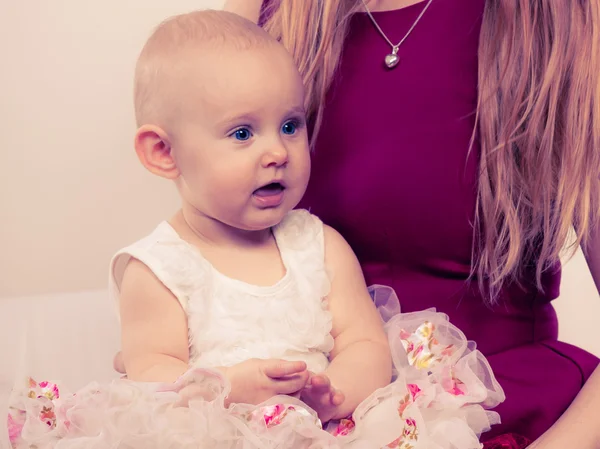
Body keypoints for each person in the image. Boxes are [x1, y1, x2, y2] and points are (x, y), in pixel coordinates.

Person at [6, 9, 504, 449]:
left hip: (325, 432)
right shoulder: (159, 269)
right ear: (164, 152)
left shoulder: (320, 247)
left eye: (290, 125)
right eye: (243, 133)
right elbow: (151, 376)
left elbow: (366, 345)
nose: (278, 152)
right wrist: (229, 386)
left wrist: (334, 393)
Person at [217, 1, 600, 448]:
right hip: (306, 420)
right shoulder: (274, 17)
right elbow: (204, 228)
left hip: (506, 418)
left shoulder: (559, 20)